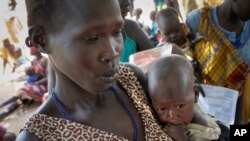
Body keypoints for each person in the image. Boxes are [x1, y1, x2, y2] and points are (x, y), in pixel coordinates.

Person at [17, 0, 174, 140]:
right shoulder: (39, 136)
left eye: (116, 32)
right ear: (41, 40)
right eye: (92, 38)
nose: (113, 52)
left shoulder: (134, 80)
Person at [186, 0, 250, 123]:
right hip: (202, 112)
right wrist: (194, 73)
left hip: (237, 112)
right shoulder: (198, 20)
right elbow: (183, 57)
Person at [148, 55, 227, 141]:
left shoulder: (202, 133)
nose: (171, 116)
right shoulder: (185, 99)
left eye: (180, 106)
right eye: (162, 109)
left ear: (196, 95)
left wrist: (182, 139)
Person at [156, 7, 203, 82]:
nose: (173, 35)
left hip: (197, 72)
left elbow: (195, 38)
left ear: (182, 26)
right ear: (160, 33)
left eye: (176, 31)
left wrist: (196, 39)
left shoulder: (188, 38)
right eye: (167, 34)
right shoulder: (163, 49)